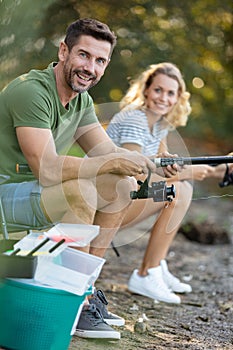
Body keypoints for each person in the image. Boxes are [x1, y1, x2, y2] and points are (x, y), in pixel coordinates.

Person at [0, 18, 178, 340]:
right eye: (84, 55)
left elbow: (108, 153)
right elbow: (47, 168)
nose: (90, 67)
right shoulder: (32, 90)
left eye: (100, 61)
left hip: (33, 194)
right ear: (64, 51)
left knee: (120, 185)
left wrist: (149, 165)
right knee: (80, 191)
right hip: (5, 192)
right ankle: (72, 302)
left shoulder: (81, 101)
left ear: (106, 65)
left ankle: (84, 291)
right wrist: (113, 162)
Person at [107, 62, 224, 304]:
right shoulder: (135, 121)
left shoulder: (158, 124)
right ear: (146, 90)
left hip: (126, 200)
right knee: (177, 191)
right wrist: (188, 174)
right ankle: (146, 274)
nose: (164, 97)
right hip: (105, 203)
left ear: (178, 97)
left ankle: (155, 266)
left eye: (171, 93)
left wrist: (218, 169)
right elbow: (137, 172)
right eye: (158, 90)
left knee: (180, 188)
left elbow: (165, 167)